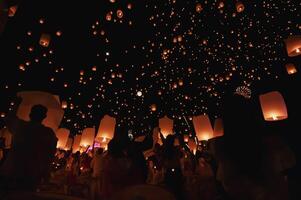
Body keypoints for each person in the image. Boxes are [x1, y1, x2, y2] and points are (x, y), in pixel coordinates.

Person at [0, 96, 57, 191]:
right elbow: (50, 155)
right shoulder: (48, 133)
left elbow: (9, 118)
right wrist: (46, 173)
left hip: (12, 171)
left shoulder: (20, 126)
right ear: (44, 117)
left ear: (30, 114)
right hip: (31, 175)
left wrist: (17, 104)